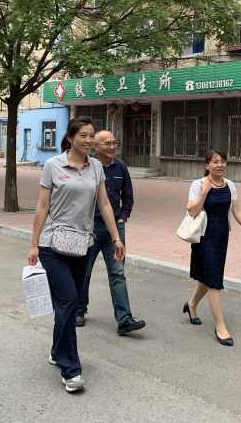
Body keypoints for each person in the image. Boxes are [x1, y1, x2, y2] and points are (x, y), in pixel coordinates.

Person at [27, 116, 124, 394]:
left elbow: (104, 203)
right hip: (52, 244)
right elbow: (42, 206)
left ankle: (57, 350)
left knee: (67, 304)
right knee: (69, 301)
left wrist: (116, 237)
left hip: (82, 244)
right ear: (70, 138)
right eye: (83, 135)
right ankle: (71, 369)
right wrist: (33, 244)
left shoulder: (96, 167)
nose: (88, 140)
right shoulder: (53, 165)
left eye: (91, 135)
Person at [183, 150, 241, 346]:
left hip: (221, 236)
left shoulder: (230, 185)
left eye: (222, 161)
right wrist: (204, 192)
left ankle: (191, 305)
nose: (220, 165)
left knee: (209, 277)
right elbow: (192, 210)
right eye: (215, 162)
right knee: (214, 280)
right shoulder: (198, 184)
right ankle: (220, 327)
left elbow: (236, 210)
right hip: (204, 237)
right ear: (207, 165)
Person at [75, 130, 145, 336]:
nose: (113, 147)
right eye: (107, 143)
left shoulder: (120, 167)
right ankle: (79, 310)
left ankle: (124, 320)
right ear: (95, 147)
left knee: (118, 273)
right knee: (84, 271)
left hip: (114, 227)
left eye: (115, 142)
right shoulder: (87, 167)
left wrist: (123, 217)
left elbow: (128, 197)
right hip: (90, 228)